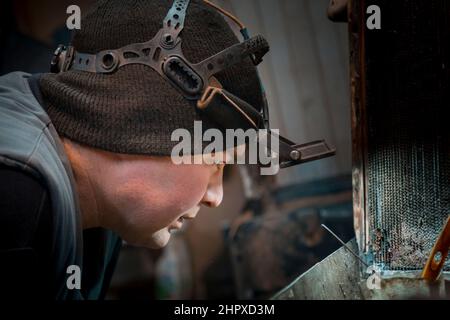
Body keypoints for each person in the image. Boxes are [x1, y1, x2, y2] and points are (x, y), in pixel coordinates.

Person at [0, 0, 266, 300]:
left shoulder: (103, 201)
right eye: (215, 162)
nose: (214, 198)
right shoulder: (15, 195)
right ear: (135, 124)